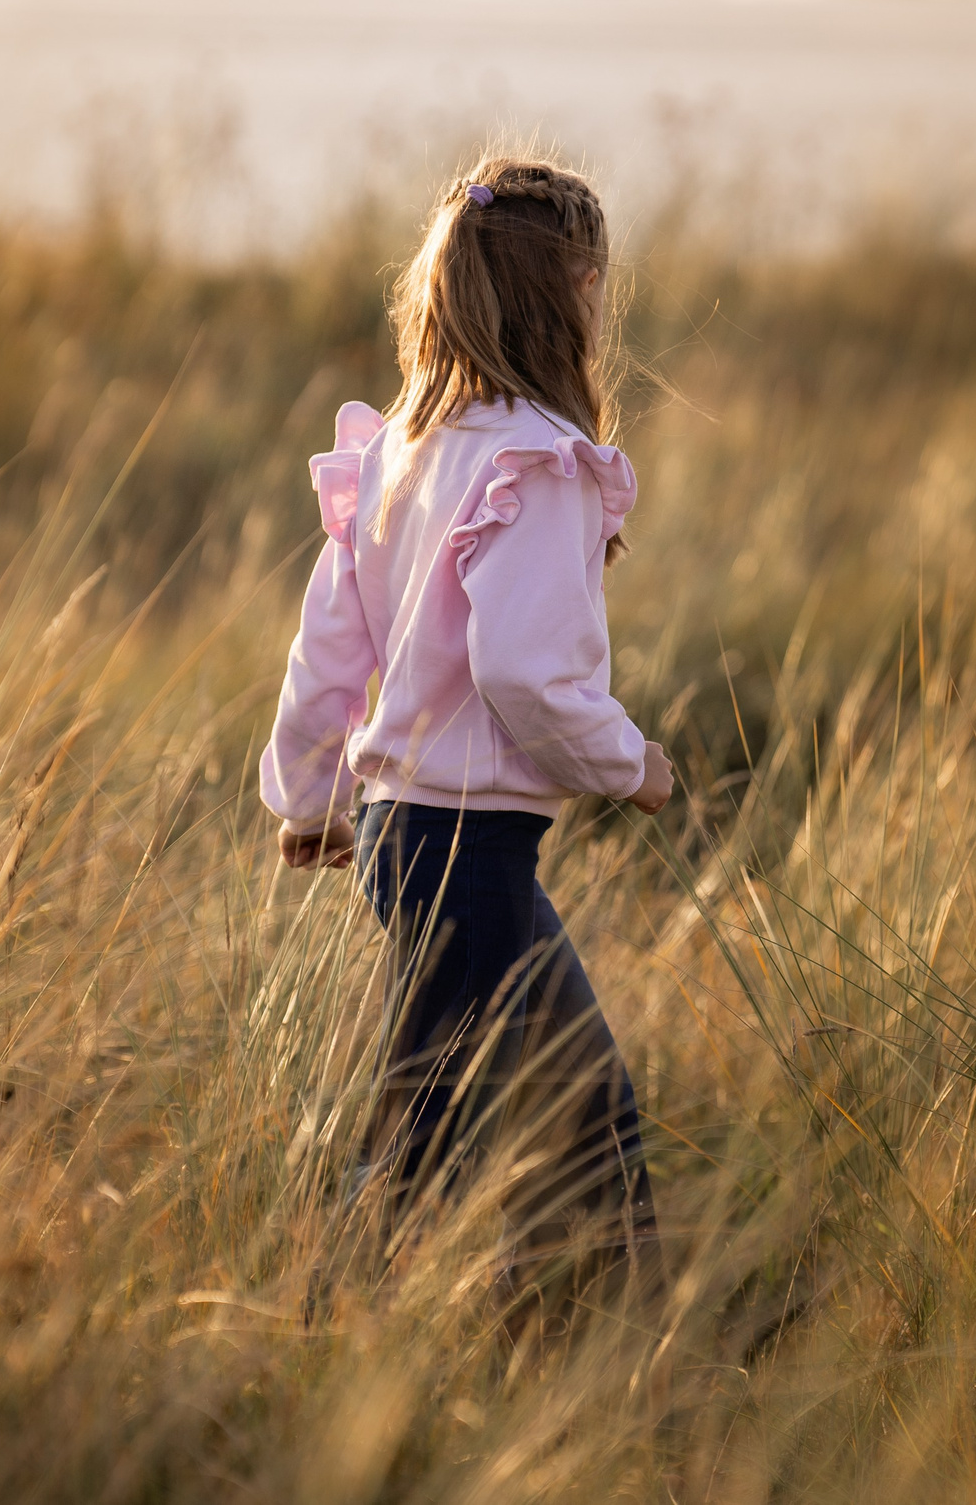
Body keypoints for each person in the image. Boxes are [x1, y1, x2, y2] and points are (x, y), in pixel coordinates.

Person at [258, 154, 673, 1300]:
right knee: (424, 1142)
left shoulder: (405, 450)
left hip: (409, 834)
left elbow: (329, 648)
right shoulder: (531, 460)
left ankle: (627, 1338)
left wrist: (309, 799)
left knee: (582, 1114)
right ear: (572, 290)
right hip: (465, 847)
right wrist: (631, 764)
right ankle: (331, 1337)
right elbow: (524, 674)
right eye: (596, 283)